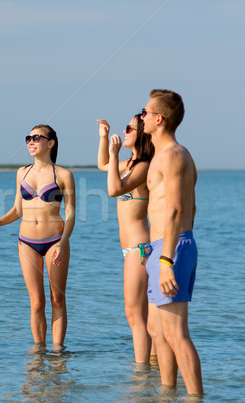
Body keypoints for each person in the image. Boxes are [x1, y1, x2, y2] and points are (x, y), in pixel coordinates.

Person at [0, 125, 75, 350]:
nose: (31, 141)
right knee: (36, 303)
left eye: (37, 138)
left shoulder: (63, 175)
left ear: (50, 143)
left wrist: (62, 242)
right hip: (26, 242)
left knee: (57, 300)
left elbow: (70, 214)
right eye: (28, 138)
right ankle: (39, 354)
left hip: (55, 241)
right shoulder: (22, 172)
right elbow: (18, 210)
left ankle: (58, 354)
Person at [141, 89, 202, 394]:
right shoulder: (160, 157)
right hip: (161, 248)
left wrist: (166, 260)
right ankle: (168, 395)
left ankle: (195, 398)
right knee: (159, 332)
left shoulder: (174, 156)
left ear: (159, 119)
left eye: (145, 112)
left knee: (176, 333)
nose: (142, 117)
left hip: (172, 248)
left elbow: (178, 209)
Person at [97, 115, 155, 364]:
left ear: (141, 134)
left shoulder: (142, 166)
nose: (125, 130)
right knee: (143, 315)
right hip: (132, 248)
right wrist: (103, 140)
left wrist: (114, 152)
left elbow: (113, 190)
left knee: (134, 314)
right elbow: (103, 166)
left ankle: (141, 375)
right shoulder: (130, 163)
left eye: (130, 127)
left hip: (139, 247)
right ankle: (153, 368)